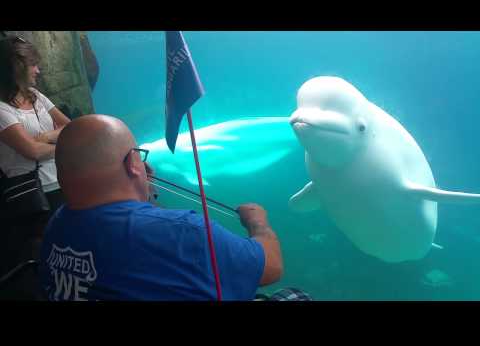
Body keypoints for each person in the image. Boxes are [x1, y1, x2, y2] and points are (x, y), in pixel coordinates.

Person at [38, 114, 284, 301]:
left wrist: (142, 192)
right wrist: (258, 223)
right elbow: (270, 267)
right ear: (134, 163)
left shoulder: (57, 224)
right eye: (139, 155)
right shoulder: (184, 231)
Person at [0, 36, 71, 281]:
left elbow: (69, 127)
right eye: (33, 64)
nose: (38, 70)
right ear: (17, 67)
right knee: (45, 251)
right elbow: (31, 152)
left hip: (59, 183)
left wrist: (45, 137)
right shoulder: (2, 110)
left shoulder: (36, 96)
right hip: (31, 194)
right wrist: (57, 143)